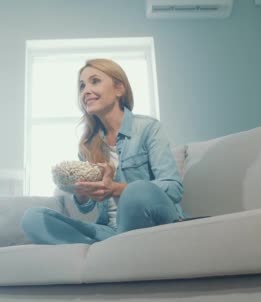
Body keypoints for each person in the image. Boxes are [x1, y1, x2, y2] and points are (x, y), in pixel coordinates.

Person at [22, 58, 185, 244]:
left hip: (153, 222)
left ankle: (108, 250)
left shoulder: (148, 128)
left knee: (135, 190)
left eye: (95, 81)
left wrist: (117, 189)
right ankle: (110, 249)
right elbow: (87, 208)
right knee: (33, 217)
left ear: (119, 89)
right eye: (82, 86)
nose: (86, 91)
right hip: (109, 230)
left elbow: (174, 188)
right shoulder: (88, 145)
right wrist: (82, 193)